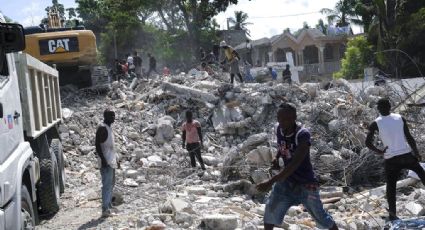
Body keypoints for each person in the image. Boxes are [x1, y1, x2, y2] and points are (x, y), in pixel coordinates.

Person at [256, 103, 338, 230]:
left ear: (294, 118)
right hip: (286, 182)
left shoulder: (302, 135)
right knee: (271, 210)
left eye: (286, 119)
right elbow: (282, 145)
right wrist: (276, 157)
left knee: (321, 218)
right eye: (279, 118)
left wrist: (270, 181)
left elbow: (294, 164)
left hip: (306, 184)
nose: (282, 122)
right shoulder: (279, 129)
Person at [366, 98, 425, 221]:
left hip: (391, 159)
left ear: (378, 108)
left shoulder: (375, 123)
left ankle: (393, 215)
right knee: (422, 175)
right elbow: (409, 137)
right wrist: (417, 153)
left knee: (391, 187)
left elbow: (367, 142)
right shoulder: (400, 118)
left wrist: (380, 151)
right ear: (390, 106)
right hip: (406, 155)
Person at [95, 109, 119, 218]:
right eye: (111, 116)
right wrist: (103, 160)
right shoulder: (102, 128)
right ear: (105, 116)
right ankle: (105, 209)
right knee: (106, 186)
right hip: (106, 162)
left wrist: (117, 160)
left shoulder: (109, 128)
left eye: (114, 115)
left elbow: (111, 147)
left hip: (111, 161)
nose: (113, 118)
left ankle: (108, 206)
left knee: (111, 184)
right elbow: (97, 145)